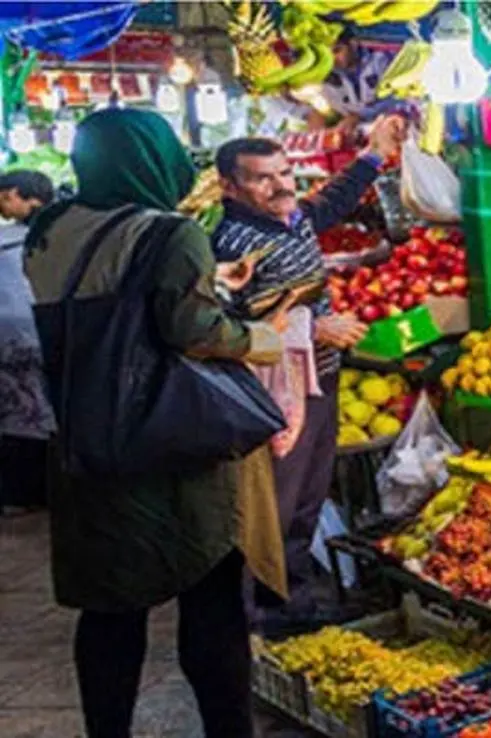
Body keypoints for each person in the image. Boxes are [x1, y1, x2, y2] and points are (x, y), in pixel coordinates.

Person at [23, 108, 284, 738]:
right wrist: (261, 338)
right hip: (169, 444)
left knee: (110, 609)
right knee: (211, 597)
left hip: (84, 440)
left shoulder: (48, 229)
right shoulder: (170, 232)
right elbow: (191, 329)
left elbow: (106, 298)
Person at [211, 114, 405, 629]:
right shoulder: (229, 243)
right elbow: (222, 324)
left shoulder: (289, 217)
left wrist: (373, 153)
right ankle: (257, 609)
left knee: (305, 498)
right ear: (229, 186)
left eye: (284, 172)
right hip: (271, 393)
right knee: (272, 503)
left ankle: (291, 597)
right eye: (263, 177)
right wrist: (313, 331)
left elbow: (329, 203)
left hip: (317, 379)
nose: (281, 185)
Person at [0, 170, 56, 516]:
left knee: (15, 415)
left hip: (11, 337)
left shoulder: (9, 240)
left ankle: (21, 492)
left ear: (17, 195)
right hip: (45, 332)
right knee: (41, 411)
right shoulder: (63, 233)